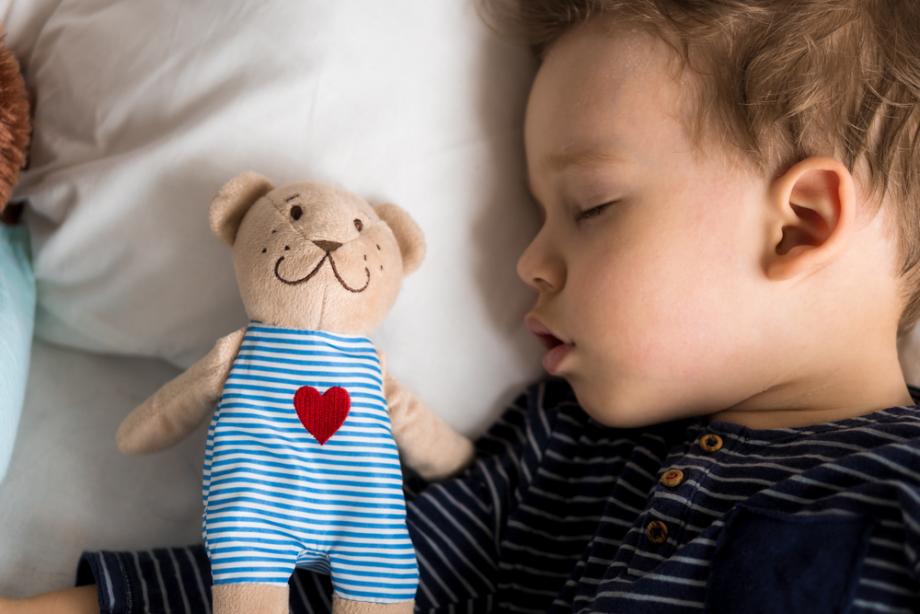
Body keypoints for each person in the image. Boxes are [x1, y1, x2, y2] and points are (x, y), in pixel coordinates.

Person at [5, 0, 920, 611]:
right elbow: (316, 585)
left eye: (591, 207)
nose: (528, 261)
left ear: (799, 224)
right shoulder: (551, 460)